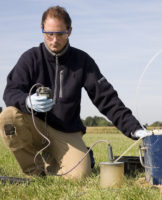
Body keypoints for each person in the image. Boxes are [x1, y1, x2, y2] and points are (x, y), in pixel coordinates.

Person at [0, 6, 148, 180]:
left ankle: (75, 156)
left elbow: (107, 99)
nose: (54, 40)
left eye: (60, 34)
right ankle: (35, 172)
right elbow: (10, 92)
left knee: (79, 175)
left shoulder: (82, 61)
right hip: (36, 126)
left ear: (69, 31)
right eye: (49, 34)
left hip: (66, 131)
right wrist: (27, 101)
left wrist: (136, 129)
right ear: (42, 30)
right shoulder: (30, 58)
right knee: (8, 116)